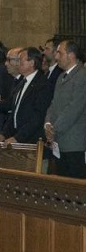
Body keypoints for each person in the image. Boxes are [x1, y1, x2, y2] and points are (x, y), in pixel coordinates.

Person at [0, 47, 51, 145]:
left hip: (32, 141)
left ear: (32, 63)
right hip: (17, 138)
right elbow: (14, 112)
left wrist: (18, 137)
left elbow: (38, 116)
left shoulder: (42, 84)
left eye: (20, 60)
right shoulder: (21, 82)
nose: (17, 63)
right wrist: (4, 134)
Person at [44, 40, 86, 179]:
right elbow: (53, 104)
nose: (56, 57)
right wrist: (48, 124)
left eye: (60, 53)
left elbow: (74, 108)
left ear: (71, 55)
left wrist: (54, 129)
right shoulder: (61, 77)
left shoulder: (82, 76)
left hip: (75, 143)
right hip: (59, 141)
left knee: (75, 188)